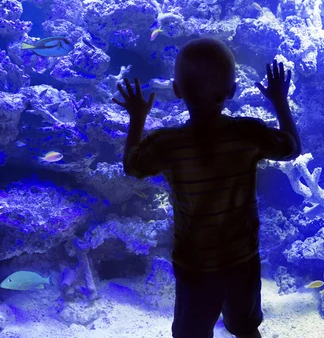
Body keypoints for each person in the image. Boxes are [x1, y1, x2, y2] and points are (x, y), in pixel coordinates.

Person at [113, 37, 301, 338]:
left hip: (195, 264)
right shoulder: (247, 133)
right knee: (245, 327)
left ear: (176, 90)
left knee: (192, 333)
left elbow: (132, 166)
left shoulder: (166, 144)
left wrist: (137, 117)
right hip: (243, 259)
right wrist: (279, 99)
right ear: (233, 91)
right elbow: (291, 147)